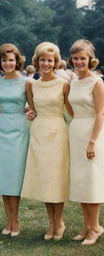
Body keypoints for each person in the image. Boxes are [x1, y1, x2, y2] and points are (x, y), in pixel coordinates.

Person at [22, 42, 73, 241]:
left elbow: (71, 111)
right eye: (42, 60)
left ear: (55, 62)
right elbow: (32, 109)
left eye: (49, 60)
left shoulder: (64, 85)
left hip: (57, 133)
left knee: (55, 178)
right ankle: (50, 222)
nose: (46, 63)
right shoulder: (33, 85)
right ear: (37, 61)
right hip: (38, 132)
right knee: (44, 178)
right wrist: (30, 112)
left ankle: (59, 222)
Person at [0, 43, 30, 237]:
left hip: (19, 130)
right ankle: (9, 220)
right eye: (4, 60)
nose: (7, 63)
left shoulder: (26, 82)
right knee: (4, 176)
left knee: (15, 176)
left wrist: (28, 112)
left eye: (11, 60)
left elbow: (35, 106)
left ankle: (16, 220)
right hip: (2, 128)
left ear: (17, 61)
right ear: (0, 62)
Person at [68, 39, 104, 245]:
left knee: (92, 180)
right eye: (76, 58)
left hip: (93, 133)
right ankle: (86, 225)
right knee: (81, 180)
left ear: (91, 59)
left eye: (83, 58)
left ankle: (96, 227)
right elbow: (71, 109)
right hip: (76, 131)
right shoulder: (73, 81)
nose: (79, 62)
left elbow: (100, 114)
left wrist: (92, 141)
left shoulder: (97, 82)